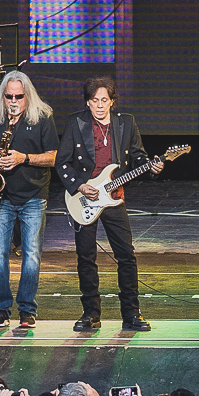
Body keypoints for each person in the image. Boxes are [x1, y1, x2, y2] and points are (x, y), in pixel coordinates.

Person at [55, 77, 164, 333]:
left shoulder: (126, 122)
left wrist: (152, 167)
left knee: (126, 256)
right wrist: (80, 186)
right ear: (87, 102)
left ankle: (132, 313)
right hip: (85, 198)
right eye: (94, 101)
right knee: (86, 258)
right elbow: (62, 162)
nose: (100, 106)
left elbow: (138, 157)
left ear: (113, 101)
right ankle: (90, 314)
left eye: (105, 100)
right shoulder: (76, 122)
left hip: (115, 198)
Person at [0, 72, 59, 330]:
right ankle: (1, 309)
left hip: (34, 194)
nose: (13, 101)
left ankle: (27, 310)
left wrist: (23, 158)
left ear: (28, 96)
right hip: (2, 196)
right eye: (8, 96)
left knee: (32, 254)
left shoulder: (43, 116)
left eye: (18, 97)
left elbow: (54, 156)